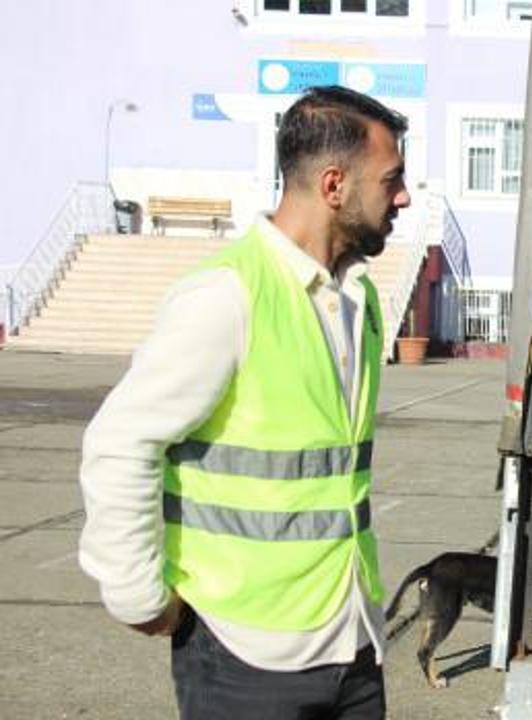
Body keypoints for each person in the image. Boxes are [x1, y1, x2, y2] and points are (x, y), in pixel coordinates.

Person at [78, 85, 411, 719]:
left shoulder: (358, 299)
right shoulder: (226, 296)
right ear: (334, 185)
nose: (403, 197)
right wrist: (138, 596)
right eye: (391, 179)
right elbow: (120, 442)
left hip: (352, 639)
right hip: (244, 654)